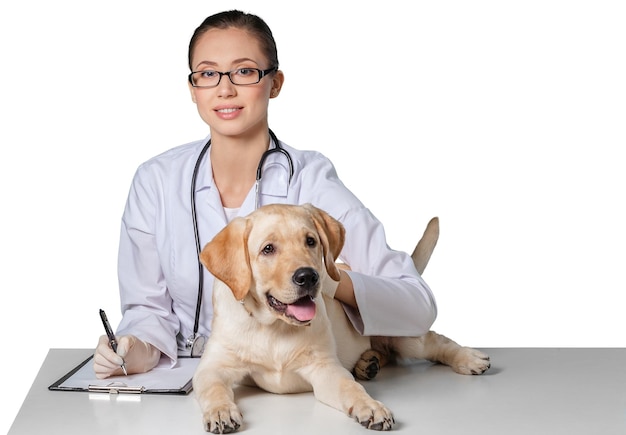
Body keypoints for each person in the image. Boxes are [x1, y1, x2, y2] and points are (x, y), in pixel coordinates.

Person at [93, 9, 437, 378]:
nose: (225, 89)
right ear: (193, 89)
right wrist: (129, 349)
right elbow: (147, 314)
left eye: (244, 71)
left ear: (275, 83)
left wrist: (325, 278)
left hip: (294, 380)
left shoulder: (311, 180)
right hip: (197, 381)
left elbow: (417, 305)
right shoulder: (155, 182)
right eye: (208, 74)